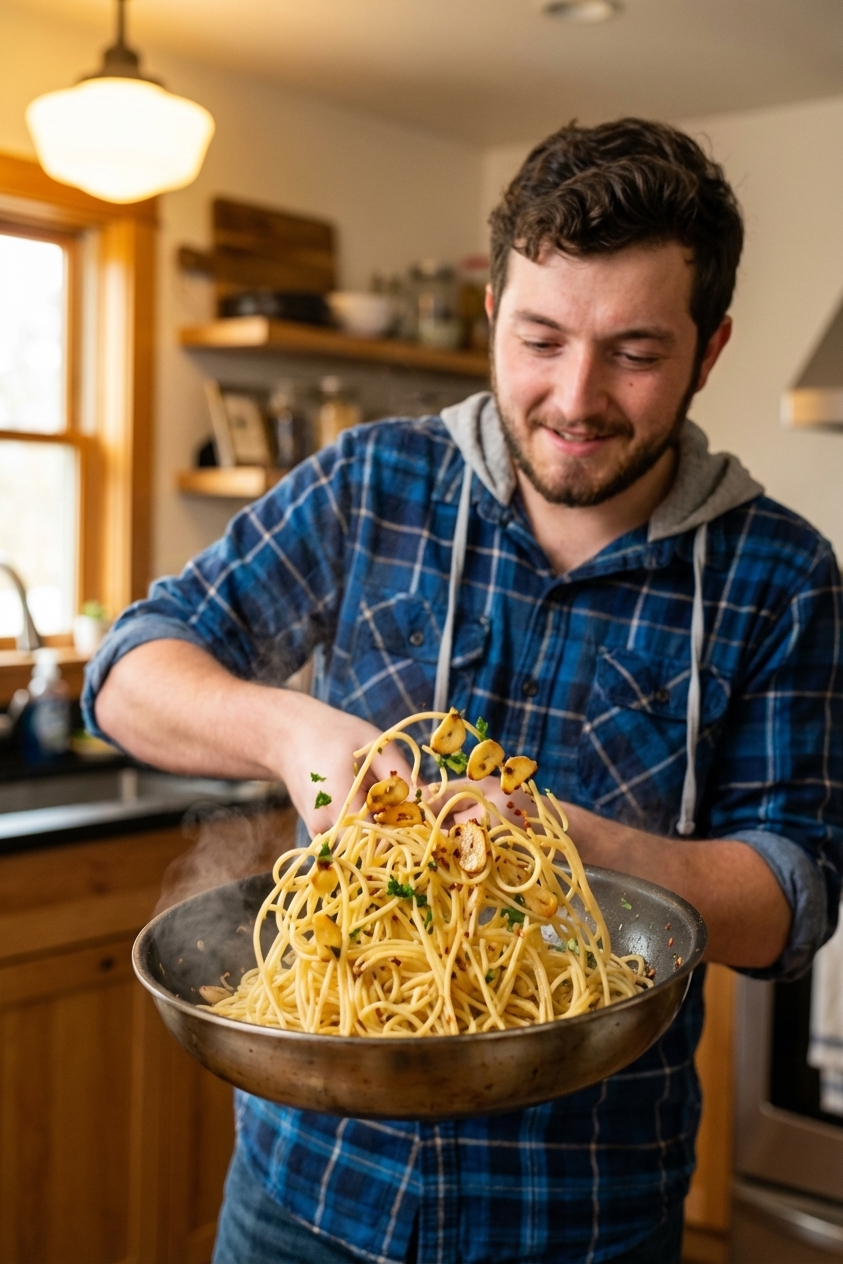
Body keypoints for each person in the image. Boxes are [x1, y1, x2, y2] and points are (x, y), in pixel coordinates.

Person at [84, 118, 843, 1264]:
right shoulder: (371, 482)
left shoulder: (777, 573)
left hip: (580, 1209)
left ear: (711, 347)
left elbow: (795, 896)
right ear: (493, 316)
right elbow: (130, 669)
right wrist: (293, 730)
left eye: (634, 353)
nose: (575, 397)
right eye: (540, 338)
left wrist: (564, 839)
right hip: (305, 1193)